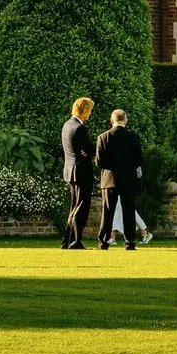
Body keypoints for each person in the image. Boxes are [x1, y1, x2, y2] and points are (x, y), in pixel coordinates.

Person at [93, 108, 144, 251]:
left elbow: (99, 161)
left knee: (108, 211)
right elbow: (139, 159)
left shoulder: (103, 137)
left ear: (112, 120)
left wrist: (111, 168)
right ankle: (129, 242)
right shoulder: (133, 137)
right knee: (129, 211)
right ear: (125, 121)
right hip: (128, 179)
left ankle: (103, 241)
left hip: (110, 179)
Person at [59, 95, 96, 250]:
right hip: (81, 172)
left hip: (70, 170)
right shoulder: (80, 128)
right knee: (81, 207)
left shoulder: (67, 125)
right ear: (85, 110)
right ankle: (75, 241)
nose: (90, 114)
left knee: (74, 206)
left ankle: (67, 240)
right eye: (90, 111)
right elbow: (88, 150)